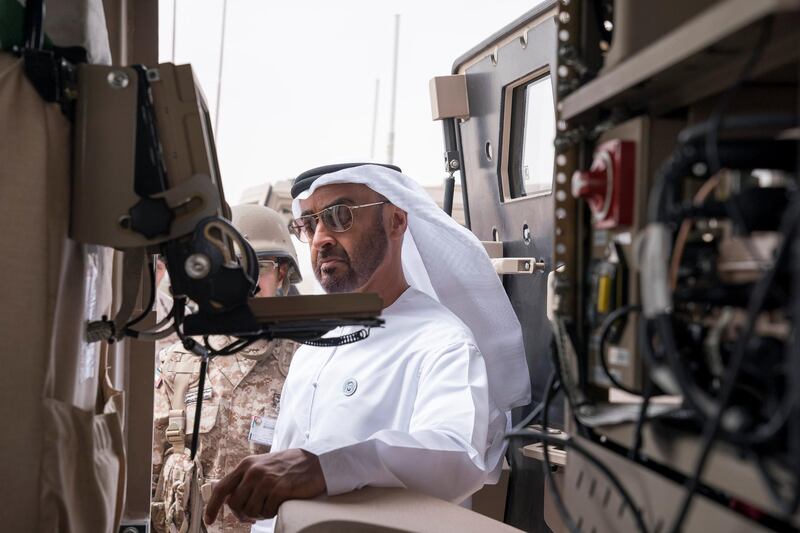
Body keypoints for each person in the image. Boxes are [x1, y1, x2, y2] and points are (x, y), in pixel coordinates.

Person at [204, 163, 531, 530]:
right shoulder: (315, 346)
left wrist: (323, 466)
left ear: (396, 220)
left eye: (340, 216)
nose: (320, 238)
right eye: (309, 224)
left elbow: (456, 455)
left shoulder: (442, 341)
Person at [150, 204, 302, 533]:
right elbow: (152, 464)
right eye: (232, 269)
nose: (245, 282)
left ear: (283, 274)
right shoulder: (181, 360)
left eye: (258, 267)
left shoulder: (305, 366)